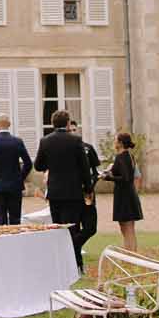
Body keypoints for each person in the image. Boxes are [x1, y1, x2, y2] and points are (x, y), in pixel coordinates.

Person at [33, 108, 95, 273]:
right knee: (72, 229)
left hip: (55, 192)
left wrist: (52, 163)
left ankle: (62, 264)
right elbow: (84, 167)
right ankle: (75, 264)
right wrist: (88, 189)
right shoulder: (76, 141)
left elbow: (38, 165)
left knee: (59, 228)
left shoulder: (45, 141)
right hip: (73, 192)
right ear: (68, 123)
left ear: (53, 124)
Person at [0, 114, 32, 227]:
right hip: (15, 185)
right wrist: (20, 177)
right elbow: (28, 163)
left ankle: (1, 242)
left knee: (0, 217)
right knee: (15, 218)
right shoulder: (17, 141)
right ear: (9, 124)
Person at [107, 133, 143, 252]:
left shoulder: (121, 157)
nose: (114, 142)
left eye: (116, 140)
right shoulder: (129, 156)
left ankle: (131, 254)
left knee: (127, 227)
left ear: (120, 143)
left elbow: (125, 178)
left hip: (124, 195)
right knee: (127, 227)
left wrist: (108, 177)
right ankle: (131, 252)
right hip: (129, 194)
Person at [78, 125, 102, 248]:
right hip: (72, 194)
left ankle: (74, 245)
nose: (72, 132)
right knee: (74, 227)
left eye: (74, 129)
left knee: (91, 227)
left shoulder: (88, 148)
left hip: (87, 193)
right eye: (69, 130)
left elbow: (96, 172)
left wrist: (90, 187)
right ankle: (76, 257)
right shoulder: (65, 149)